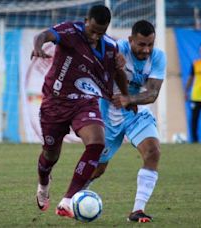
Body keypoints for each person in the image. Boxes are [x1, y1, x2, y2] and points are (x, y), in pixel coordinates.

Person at [32, 5, 129, 218]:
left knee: (97, 143)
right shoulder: (70, 32)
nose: (95, 36)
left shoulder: (111, 47)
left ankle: (67, 200)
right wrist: (38, 46)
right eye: (92, 30)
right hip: (55, 103)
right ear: (86, 21)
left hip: (84, 102)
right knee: (50, 155)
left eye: (100, 32)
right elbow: (43, 35)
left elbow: (118, 71)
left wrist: (126, 95)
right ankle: (43, 183)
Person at [88, 20, 166, 223]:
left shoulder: (158, 57)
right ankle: (73, 198)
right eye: (141, 44)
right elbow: (98, 37)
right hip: (108, 115)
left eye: (150, 44)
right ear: (130, 40)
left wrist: (129, 99)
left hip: (136, 112)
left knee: (153, 151)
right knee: (98, 168)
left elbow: (152, 93)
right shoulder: (119, 48)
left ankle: (137, 210)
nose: (146, 49)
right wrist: (113, 54)